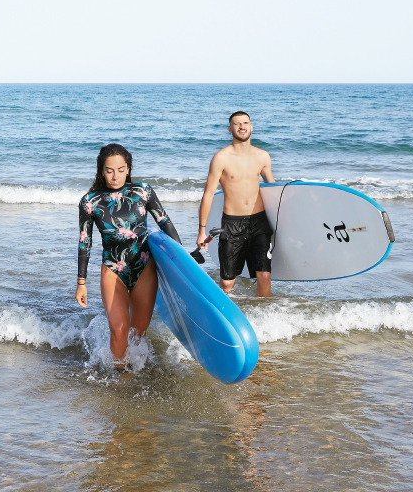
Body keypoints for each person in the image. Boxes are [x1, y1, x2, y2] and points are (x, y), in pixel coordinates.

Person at [76, 144, 181, 369]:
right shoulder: (89, 201)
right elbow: (85, 240)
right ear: (101, 170)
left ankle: (136, 370)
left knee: (138, 333)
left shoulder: (143, 191)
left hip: (144, 269)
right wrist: (81, 283)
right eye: (109, 170)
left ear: (129, 168)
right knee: (119, 330)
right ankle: (120, 375)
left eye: (121, 169)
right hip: (113, 270)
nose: (115, 176)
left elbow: (165, 225)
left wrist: (182, 263)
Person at [196, 111, 275, 297]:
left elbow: (273, 190)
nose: (242, 126)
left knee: (264, 275)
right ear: (230, 129)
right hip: (232, 224)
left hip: (259, 222)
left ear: (251, 127)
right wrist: (201, 230)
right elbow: (208, 195)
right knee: (227, 281)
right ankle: (226, 315)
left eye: (245, 123)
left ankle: (262, 317)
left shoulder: (262, 156)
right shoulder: (221, 158)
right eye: (237, 124)